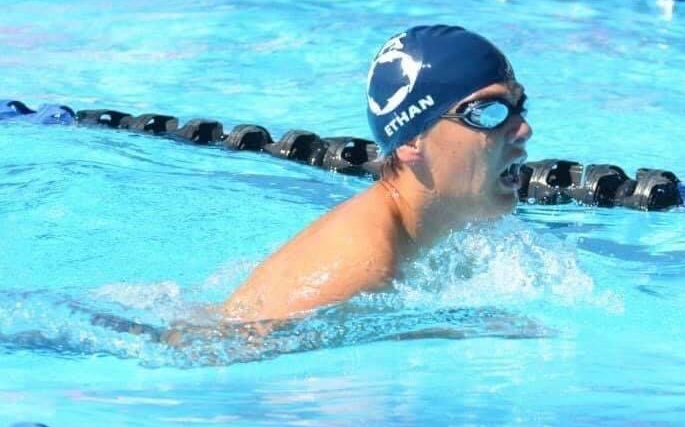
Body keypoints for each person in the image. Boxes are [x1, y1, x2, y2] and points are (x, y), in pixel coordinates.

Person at [221, 24, 532, 325]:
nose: (523, 130)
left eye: (520, 107)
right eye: (488, 113)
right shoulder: (360, 272)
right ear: (412, 139)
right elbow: (228, 350)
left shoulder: (457, 222)